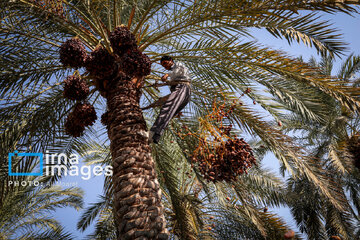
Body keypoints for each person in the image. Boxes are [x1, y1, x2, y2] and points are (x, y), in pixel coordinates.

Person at [143, 56, 192, 144]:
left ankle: (152, 133)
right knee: (169, 113)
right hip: (183, 91)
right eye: (163, 66)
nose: (165, 67)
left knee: (167, 109)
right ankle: (155, 136)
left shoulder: (178, 65)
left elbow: (179, 71)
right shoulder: (174, 72)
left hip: (182, 88)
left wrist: (167, 75)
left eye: (165, 63)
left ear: (171, 60)